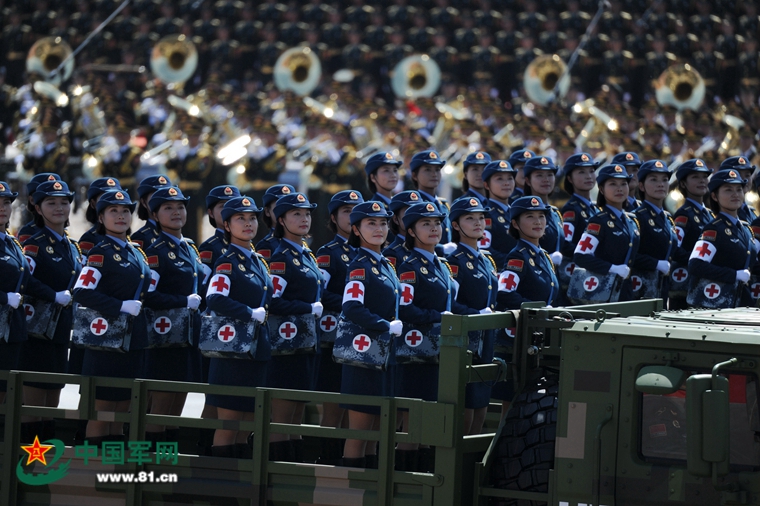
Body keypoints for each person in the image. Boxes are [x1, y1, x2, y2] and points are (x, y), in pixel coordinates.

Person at [395, 201, 476, 470]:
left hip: (439, 352)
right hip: (416, 354)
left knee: (429, 422)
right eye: (425, 224)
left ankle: (426, 476)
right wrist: (439, 317)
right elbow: (405, 308)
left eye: (437, 223)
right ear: (410, 231)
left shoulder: (442, 264)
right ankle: (406, 478)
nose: (434, 228)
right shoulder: (408, 266)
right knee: (414, 422)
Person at [72, 189, 150, 444]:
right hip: (106, 343)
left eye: (125, 210)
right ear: (100, 217)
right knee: (102, 410)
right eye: (113, 211)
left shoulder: (136, 251)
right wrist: (119, 306)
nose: (121, 216)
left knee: (123, 410)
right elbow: (82, 292)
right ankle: (93, 467)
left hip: (133, 341)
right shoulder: (100, 253)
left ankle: (114, 466)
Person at [205, 195, 273, 459]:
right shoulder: (227, 262)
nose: (248, 223)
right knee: (229, 423)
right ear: (227, 225)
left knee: (247, 423)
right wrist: (248, 313)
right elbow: (215, 298)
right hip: (232, 353)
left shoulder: (257, 260)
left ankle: (242, 478)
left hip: (255, 351)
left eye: (252, 218)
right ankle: (221, 479)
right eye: (240, 219)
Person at [337, 200, 401, 469]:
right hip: (363, 357)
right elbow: (352, 307)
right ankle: (348, 487)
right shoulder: (360, 265)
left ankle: (373, 485)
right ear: (356, 229)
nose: (379, 229)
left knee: (376, 429)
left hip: (382, 355)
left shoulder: (384, 263)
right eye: (371, 223)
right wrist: (384, 325)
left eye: (383, 223)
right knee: (360, 431)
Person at [20, 180, 81, 442]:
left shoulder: (72, 245)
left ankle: (45, 459)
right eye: (51, 203)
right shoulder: (34, 244)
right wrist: (52, 295)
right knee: (33, 405)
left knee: (52, 403)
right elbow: (24, 279)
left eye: (64, 202)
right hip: (37, 333)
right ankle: (26, 460)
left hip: (60, 332)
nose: (59, 208)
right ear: (37, 208)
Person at [143, 186, 204, 446]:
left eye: (180, 207)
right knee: (162, 403)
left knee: (178, 401)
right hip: (164, 338)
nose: (176, 212)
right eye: (168, 208)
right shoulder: (156, 251)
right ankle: (151, 460)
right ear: (155, 215)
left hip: (186, 336)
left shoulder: (188, 247)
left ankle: (168, 458)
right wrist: (182, 302)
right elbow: (148, 295)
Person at [267, 192, 324, 462]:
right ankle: (275, 470)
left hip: (305, 343)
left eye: (307, 214)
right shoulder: (281, 257)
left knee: (296, 415)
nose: (304, 219)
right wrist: (306, 308)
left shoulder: (305, 253)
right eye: (296, 214)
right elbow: (273, 301)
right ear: (281, 220)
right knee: (282, 418)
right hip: (285, 348)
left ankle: (293, 467)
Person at [313, 189, 363, 465]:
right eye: (346, 211)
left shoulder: (369, 252)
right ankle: (327, 463)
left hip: (363, 340)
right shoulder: (328, 253)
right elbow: (319, 292)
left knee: (355, 409)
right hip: (335, 339)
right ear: (333, 218)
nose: (352, 216)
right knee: (333, 409)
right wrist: (353, 302)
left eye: (357, 211)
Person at [445, 197, 497, 435]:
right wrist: (476, 314)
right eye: (470, 218)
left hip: (486, 343)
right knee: (465, 417)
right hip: (466, 344)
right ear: (456, 225)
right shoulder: (455, 262)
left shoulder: (486, 259)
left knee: (480, 414)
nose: (478, 223)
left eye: (481, 218)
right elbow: (450, 303)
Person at [687, 169, 757, 308]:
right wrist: (733, 275)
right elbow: (696, 265)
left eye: (739, 189)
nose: (735, 194)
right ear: (714, 196)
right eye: (728, 190)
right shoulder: (714, 229)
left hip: (740, 303)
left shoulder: (746, 229)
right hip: (716, 305)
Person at [573, 164, 641, 302]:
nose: (619, 188)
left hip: (626, 290)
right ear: (602, 189)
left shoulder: (631, 221)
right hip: (604, 290)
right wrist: (612, 268)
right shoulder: (599, 221)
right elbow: (580, 255)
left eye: (623, 183)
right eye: (613, 184)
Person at [0, 183, 30, 405]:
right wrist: (4, 298)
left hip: (11, 331)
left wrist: (56, 294)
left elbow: (27, 280)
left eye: (6, 202)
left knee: (8, 398)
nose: (2, 208)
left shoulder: (12, 241)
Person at [669, 159, 713, 309]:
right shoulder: (684, 214)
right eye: (695, 177)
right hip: (686, 286)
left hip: (704, 284)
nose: (702, 181)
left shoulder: (710, 214)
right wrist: (698, 261)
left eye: (704, 177)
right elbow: (675, 248)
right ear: (683, 184)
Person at [631, 160, 677, 301]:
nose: (660, 184)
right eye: (653, 180)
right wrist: (655, 263)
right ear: (641, 186)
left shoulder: (668, 218)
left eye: (664, 180)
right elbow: (627, 254)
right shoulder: (636, 217)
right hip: (639, 290)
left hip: (661, 288)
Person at [559, 153, 600, 289]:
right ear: (569, 178)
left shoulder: (595, 208)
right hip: (580, 275)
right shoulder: (571, 209)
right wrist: (591, 257)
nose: (588, 176)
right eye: (581, 172)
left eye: (591, 171)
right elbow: (565, 243)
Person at [522, 156, 564, 267]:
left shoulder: (555, 213)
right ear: (528, 181)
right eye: (539, 175)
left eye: (550, 175)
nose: (546, 180)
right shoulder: (523, 212)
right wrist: (547, 259)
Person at [408, 150, 453, 249]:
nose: (434, 174)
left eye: (437, 170)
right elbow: (410, 241)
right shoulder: (413, 205)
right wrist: (442, 249)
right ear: (414, 175)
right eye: (428, 170)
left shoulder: (443, 204)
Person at [481, 159, 518, 270]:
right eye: (499, 179)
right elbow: (485, 252)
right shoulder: (485, 214)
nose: (506, 183)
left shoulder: (517, 212)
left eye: (510, 178)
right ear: (487, 185)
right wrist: (519, 262)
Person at [79, 177, 125, 257]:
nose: (112, 202)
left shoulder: (123, 234)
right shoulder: (89, 239)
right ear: (93, 204)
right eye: (105, 198)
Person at [255, 183, 295, 261]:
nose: (285, 211)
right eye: (280, 206)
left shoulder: (299, 241)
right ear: (267, 211)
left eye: (290, 207)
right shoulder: (266, 245)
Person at [131, 174, 173, 249]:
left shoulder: (176, 233)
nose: (162, 200)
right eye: (155, 196)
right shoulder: (140, 238)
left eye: (166, 196)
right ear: (144, 202)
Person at [17, 173, 61, 243]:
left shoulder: (62, 231)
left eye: (63, 202)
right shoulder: (28, 232)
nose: (58, 207)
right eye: (51, 202)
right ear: (32, 200)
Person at [382, 190, 422, 268]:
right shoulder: (392, 253)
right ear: (396, 219)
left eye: (418, 213)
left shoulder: (425, 247)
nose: (415, 217)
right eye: (409, 213)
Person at [719, 156, 758, 223]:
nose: (745, 179)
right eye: (738, 175)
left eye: (747, 175)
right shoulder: (726, 212)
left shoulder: (750, 211)